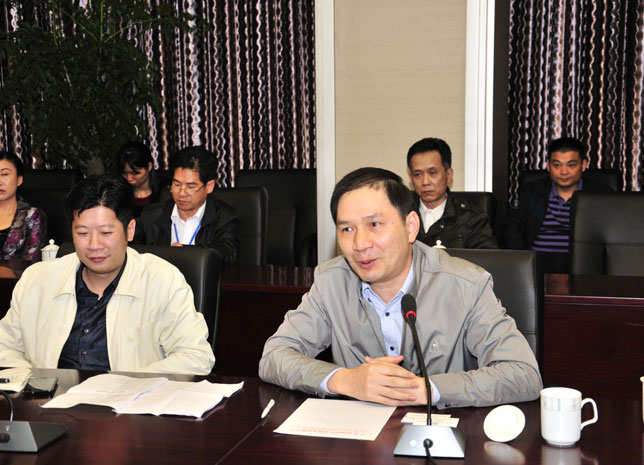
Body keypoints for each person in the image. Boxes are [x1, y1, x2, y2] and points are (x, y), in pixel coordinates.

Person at [259, 167, 541, 409]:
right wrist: (345, 380)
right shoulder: (330, 282)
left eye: (374, 224)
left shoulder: (466, 285)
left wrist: (424, 389)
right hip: (358, 439)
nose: (360, 244)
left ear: (410, 226)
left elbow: (523, 375)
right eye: (347, 229)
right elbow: (274, 357)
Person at [0, 176, 215, 374]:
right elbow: (2, 349)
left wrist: (130, 385)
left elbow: (195, 356)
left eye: (106, 233)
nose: (94, 245)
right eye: (82, 233)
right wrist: (36, 384)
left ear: (130, 230)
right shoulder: (37, 280)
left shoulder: (162, 280)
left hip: (130, 405)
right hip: (52, 404)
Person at [503, 137, 612, 273]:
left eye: (571, 165)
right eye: (557, 165)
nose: (564, 172)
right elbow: (513, 227)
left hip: (582, 267)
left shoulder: (601, 195)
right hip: (537, 265)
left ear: (583, 165)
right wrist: (521, 261)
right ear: (548, 165)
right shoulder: (532, 192)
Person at [133, 146, 239, 266]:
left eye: (191, 186)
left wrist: (186, 253)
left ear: (209, 186)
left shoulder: (225, 217)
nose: (182, 193)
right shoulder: (151, 215)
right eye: (177, 185)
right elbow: (133, 251)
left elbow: (227, 252)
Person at [406, 137, 497, 249]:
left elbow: (486, 257)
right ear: (411, 178)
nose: (425, 182)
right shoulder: (401, 213)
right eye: (417, 174)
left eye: (432, 173)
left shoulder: (471, 218)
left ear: (448, 175)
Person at [116, 141, 161, 217]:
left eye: (134, 173)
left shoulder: (163, 196)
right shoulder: (118, 196)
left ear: (149, 167)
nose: (129, 178)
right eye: (124, 173)